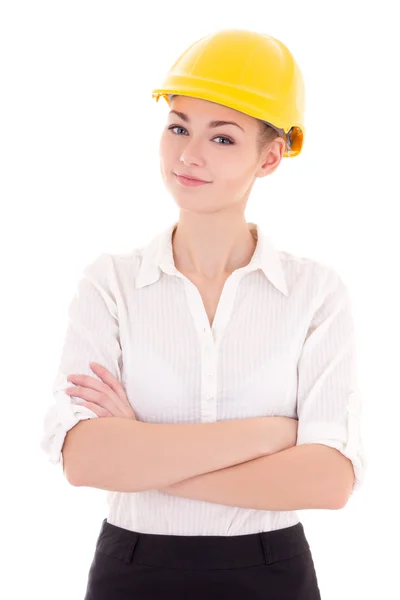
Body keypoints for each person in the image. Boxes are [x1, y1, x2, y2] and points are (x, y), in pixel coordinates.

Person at [40, 29, 366, 599]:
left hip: (272, 572)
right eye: (178, 127)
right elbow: (86, 459)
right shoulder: (110, 284)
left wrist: (143, 451)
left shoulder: (315, 292)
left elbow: (329, 479)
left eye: (222, 138)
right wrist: (272, 436)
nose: (189, 154)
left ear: (270, 157)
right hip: (132, 570)